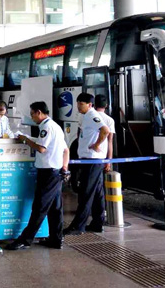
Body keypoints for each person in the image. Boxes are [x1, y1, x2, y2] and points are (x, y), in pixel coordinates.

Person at [6, 102, 69, 250]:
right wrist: (65, 168)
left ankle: (25, 240)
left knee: (39, 207)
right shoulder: (56, 127)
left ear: (39, 112)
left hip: (48, 173)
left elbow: (41, 148)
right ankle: (56, 239)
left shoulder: (46, 127)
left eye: (32, 114)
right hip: (56, 172)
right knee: (55, 208)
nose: (32, 117)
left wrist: (25, 140)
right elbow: (66, 150)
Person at [64, 93, 110, 235]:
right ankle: (97, 223)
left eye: (81, 104)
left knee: (86, 193)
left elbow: (105, 130)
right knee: (97, 193)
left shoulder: (92, 115)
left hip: (92, 160)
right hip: (92, 160)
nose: (78, 106)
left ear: (89, 105)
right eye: (77, 103)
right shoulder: (86, 116)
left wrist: (97, 145)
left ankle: (78, 226)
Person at [95, 94, 115, 172]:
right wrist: (108, 161)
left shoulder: (85, 117)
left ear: (94, 104)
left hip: (86, 155)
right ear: (106, 105)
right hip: (101, 155)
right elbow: (110, 141)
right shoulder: (109, 120)